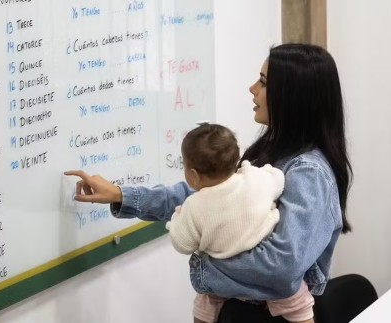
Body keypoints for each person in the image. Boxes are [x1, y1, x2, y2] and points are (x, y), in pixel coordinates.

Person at [65, 43, 353, 323]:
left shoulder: (309, 173)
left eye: (263, 83)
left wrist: (203, 266)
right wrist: (119, 194)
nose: (252, 89)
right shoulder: (273, 148)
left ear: (291, 96)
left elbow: (281, 267)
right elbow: (207, 199)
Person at [164, 123, 315, 323]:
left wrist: (177, 217)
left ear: (193, 175)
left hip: (224, 278)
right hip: (267, 269)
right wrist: (265, 171)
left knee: (206, 301)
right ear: (236, 160)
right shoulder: (254, 179)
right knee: (296, 301)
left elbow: (182, 243)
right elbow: (278, 182)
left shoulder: (193, 206)